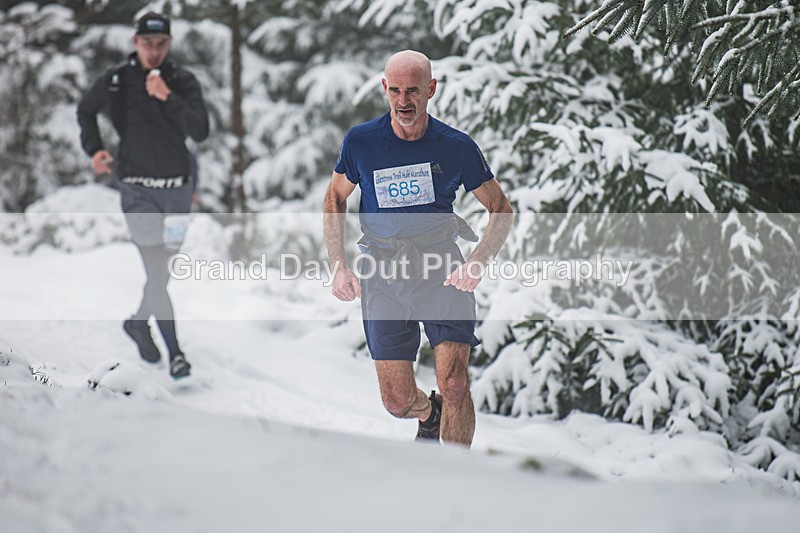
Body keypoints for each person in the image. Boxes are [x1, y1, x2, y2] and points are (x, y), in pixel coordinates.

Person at [323, 50, 513, 446]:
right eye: (395, 91)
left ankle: (454, 477)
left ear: (431, 89)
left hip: (441, 268)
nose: (404, 101)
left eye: (413, 91)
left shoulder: (456, 147)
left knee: (456, 382)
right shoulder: (361, 142)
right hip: (384, 274)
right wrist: (338, 265)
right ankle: (431, 413)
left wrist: (477, 262)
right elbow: (335, 198)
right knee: (396, 400)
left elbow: (500, 208)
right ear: (384, 89)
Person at [77, 12, 209, 379]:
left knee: (162, 272)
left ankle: (138, 323)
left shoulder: (181, 81)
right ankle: (176, 353)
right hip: (137, 192)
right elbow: (86, 110)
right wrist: (95, 150)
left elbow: (200, 130)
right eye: (148, 44)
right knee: (156, 269)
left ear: (169, 44)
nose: (154, 51)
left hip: (176, 195)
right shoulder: (117, 80)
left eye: (161, 44)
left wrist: (168, 98)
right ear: (135, 42)